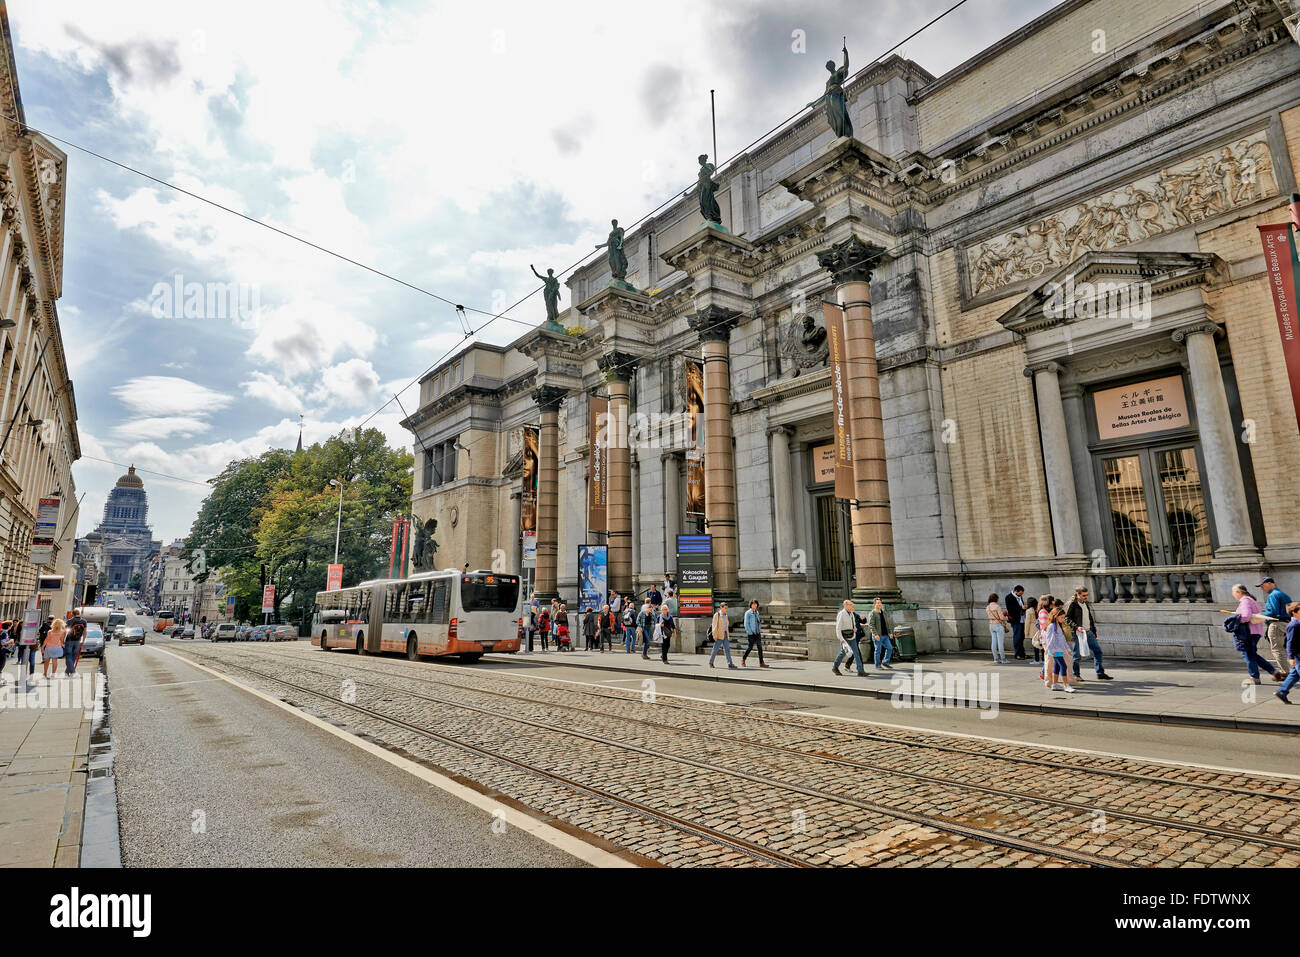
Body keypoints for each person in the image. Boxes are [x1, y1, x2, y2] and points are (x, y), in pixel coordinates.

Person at [1229, 583, 1279, 684]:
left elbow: (1246, 616)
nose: (1233, 594)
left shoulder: (1245, 601)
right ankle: (1274, 672)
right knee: (1252, 654)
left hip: (1248, 632)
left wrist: (1236, 619)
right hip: (1255, 631)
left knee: (1248, 655)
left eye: (1233, 592)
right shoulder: (1252, 600)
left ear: (1239, 592)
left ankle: (1255, 677)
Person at [1065, 586, 1112, 680]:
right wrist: (1076, 627)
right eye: (1083, 595)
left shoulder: (1086, 603)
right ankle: (1076, 675)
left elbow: (1089, 617)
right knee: (1076, 655)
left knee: (1098, 651)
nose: (1085, 597)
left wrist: (1094, 631)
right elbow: (1066, 619)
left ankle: (1100, 673)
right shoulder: (1072, 604)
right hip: (1076, 633)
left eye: (1086, 595)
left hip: (1088, 631)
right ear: (1078, 594)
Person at [1259, 578, 1293, 677]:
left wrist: (1259, 614)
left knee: (1277, 649)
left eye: (1262, 585)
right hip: (1287, 623)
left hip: (1276, 624)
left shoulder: (1273, 595)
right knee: (1288, 648)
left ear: (1270, 583)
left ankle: (1284, 672)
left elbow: (1272, 612)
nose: (1262, 588)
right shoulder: (1284, 595)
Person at [1042, 607, 1074, 693]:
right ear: (1056, 616)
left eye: (1064, 617)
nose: (1063, 619)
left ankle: (1055, 684)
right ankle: (1066, 685)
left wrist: (1068, 649)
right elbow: (1049, 640)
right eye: (1062, 617)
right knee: (1063, 666)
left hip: (1058, 650)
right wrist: (1052, 651)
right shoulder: (1052, 626)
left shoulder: (1057, 625)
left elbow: (1062, 639)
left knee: (1057, 666)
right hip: (1055, 651)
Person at [832, 599, 866, 676]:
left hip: (852, 636)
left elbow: (853, 623)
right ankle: (835, 667)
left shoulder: (851, 613)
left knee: (856, 652)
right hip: (844, 637)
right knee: (842, 653)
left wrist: (854, 628)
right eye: (851, 605)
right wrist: (841, 639)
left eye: (852, 605)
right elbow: (838, 628)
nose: (852, 606)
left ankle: (860, 670)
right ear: (846, 605)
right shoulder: (841, 614)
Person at [1275, 601, 1300, 704]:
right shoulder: (1293, 625)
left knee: (1295, 674)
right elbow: (1290, 642)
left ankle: (1282, 691)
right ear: (1294, 612)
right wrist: (1291, 657)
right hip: (1298, 655)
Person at [708, 602, 737, 669]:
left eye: (727, 608)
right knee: (715, 650)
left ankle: (730, 664)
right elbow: (714, 626)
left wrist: (728, 635)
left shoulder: (725, 615)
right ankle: (711, 662)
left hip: (725, 635)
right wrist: (714, 635)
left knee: (727, 649)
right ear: (721, 607)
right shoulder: (717, 615)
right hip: (718, 635)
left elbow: (726, 626)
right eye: (725, 608)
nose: (726, 609)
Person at [868, 597, 893, 670]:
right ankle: (877, 665)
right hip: (878, 635)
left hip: (885, 635)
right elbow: (871, 625)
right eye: (878, 603)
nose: (879, 604)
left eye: (880, 603)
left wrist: (890, 632)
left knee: (890, 648)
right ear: (874, 604)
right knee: (878, 650)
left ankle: (885, 662)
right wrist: (875, 634)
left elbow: (887, 624)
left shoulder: (883, 612)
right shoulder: (872, 613)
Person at [742, 599, 767, 668]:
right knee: (750, 647)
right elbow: (746, 624)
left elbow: (758, 622)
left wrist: (759, 630)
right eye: (753, 604)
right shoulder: (748, 613)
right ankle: (743, 659)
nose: (754, 605)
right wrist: (750, 632)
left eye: (755, 604)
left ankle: (761, 663)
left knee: (760, 648)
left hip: (757, 633)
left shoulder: (757, 612)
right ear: (751, 605)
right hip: (751, 633)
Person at [985, 593, 1010, 664]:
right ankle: (1003, 659)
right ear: (996, 599)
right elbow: (1001, 617)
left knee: (993, 643)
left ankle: (996, 659)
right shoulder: (997, 606)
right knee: (1000, 643)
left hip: (991, 625)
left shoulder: (988, 607)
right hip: (998, 625)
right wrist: (1007, 618)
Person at [1005, 586, 1027, 660]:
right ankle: (1017, 654)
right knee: (1017, 637)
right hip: (1016, 620)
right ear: (1015, 591)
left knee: (1022, 637)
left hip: (1022, 619)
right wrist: (1021, 608)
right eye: (1020, 593)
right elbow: (1010, 609)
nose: (1021, 595)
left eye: (1022, 594)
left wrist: (1024, 608)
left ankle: (1022, 653)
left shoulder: (1019, 597)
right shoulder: (1009, 597)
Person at [64, 611, 86, 676]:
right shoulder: (84, 621)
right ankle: (67, 671)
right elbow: (85, 632)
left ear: (72, 614)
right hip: (78, 641)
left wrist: (62, 640)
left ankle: (73, 671)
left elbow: (65, 631)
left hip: (69, 640)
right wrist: (83, 641)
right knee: (74, 656)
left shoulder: (69, 621)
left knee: (68, 656)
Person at [1024, 596, 1041, 665]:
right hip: (1039, 627)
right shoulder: (1038, 609)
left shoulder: (1028, 611)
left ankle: (1036, 660)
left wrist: (1026, 632)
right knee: (1041, 644)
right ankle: (1042, 659)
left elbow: (1027, 622)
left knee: (1035, 644)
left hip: (1032, 629)